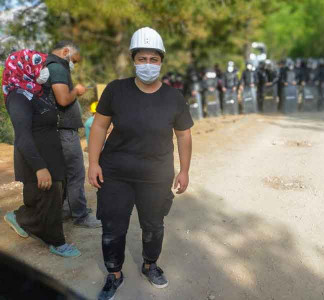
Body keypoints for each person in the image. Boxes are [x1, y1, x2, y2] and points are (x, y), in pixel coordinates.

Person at [88, 27, 193, 300]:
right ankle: (114, 274)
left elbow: (184, 135)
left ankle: (150, 264)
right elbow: (99, 126)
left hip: (156, 175)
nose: (148, 65)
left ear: (161, 62)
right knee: (113, 227)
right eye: (142, 59)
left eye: (153, 59)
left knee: (154, 225)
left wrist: (184, 170)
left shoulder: (173, 97)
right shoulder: (115, 90)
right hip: (115, 173)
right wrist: (93, 162)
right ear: (134, 60)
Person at [2, 51, 81, 257]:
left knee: (53, 196)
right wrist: (39, 168)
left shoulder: (36, 91)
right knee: (49, 199)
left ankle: (19, 217)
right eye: (39, 65)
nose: (44, 70)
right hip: (35, 157)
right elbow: (22, 137)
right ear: (24, 68)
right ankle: (56, 241)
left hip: (50, 153)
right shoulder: (18, 97)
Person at [44, 41, 101, 228]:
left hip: (61, 130)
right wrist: (76, 91)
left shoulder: (50, 66)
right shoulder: (57, 67)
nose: (73, 64)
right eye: (74, 60)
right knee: (76, 173)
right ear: (66, 51)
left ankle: (68, 209)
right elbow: (62, 99)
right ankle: (80, 215)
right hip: (64, 131)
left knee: (68, 174)